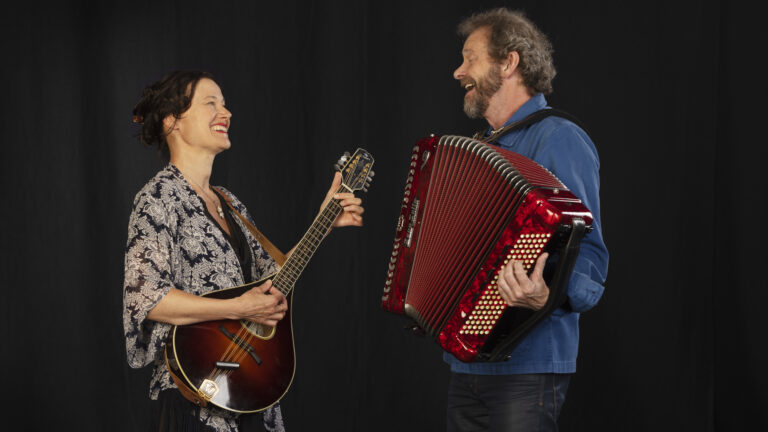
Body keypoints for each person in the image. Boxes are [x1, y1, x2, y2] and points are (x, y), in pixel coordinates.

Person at [123, 70, 364, 432]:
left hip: (245, 393)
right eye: (211, 103)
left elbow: (272, 283)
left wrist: (323, 222)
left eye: (226, 104)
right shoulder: (157, 199)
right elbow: (148, 300)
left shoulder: (229, 202)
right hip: (193, 392)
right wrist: (236, 307)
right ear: (173, 121)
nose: (227, 113)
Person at [446, 8, 609, 431]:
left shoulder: (559, 138)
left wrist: (549, 293)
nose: (458, 70)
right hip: (467, 361)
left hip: (528, 364)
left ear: (509, 62)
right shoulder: (479, 149)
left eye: (470, 57)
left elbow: (589, 256)